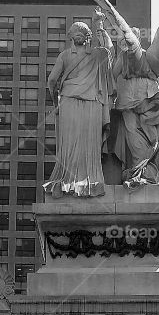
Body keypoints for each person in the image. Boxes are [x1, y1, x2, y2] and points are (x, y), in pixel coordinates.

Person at [43, 15, 114, 198]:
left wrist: (55, 100)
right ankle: (89, 182)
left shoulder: (65, 55)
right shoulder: (97, 55)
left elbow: (51, 80)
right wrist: (99, 25)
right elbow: (109, 50)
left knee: (71, 144)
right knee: (87, 145)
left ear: (72, 37)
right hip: (91, 104)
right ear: (88, 37)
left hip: (70, 102)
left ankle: (67, 181)